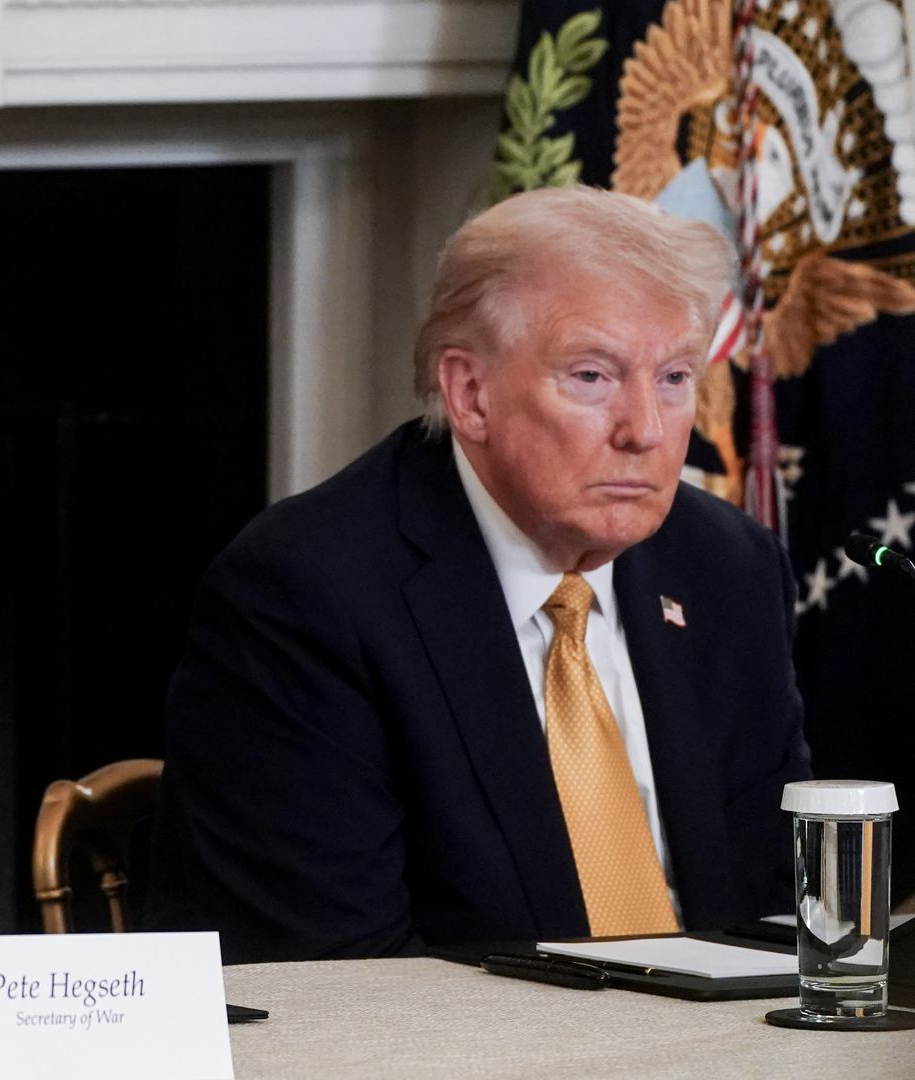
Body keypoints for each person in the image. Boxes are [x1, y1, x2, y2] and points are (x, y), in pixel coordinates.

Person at [145, 186, 812, 962]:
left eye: (673, 377)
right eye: (593, 376)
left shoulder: (726, 566)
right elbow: (334, 980)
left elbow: (776, 906)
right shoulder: (305, 595)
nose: (647, 430)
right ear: (469, 393)